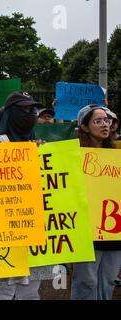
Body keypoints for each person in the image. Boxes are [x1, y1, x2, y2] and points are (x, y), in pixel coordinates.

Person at [0, 91, 52, 300]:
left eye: (33, 109)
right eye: (25, 109)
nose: (31, 113)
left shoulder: (38, 145)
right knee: (1, 291)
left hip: (33, 232)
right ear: (11, 114)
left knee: (31, 291)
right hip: (3, 233)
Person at [71, 104, 121, 300]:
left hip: (114, 229)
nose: (105, 125)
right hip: (86, 231)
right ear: (84, 127)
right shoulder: (73, 155)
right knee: (87, 281)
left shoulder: (117, 155)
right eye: (97, 121)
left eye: (107, 120)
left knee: (108, 281)